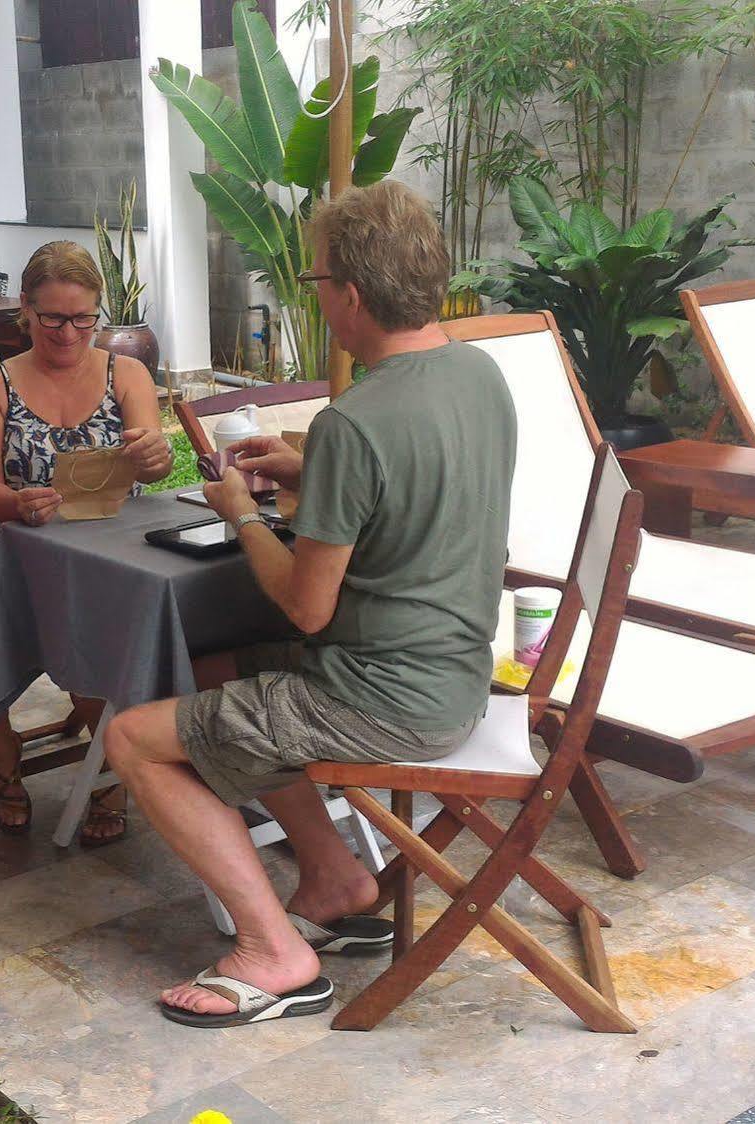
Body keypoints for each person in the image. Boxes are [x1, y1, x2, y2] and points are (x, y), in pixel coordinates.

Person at [101, 181, 518, 1026]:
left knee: (132, 739)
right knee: (214, 659)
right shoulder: (479, 372)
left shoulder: (354, 422)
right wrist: (310, 476)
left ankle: (271, 950)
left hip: (382, 704)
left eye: (317, 281)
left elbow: (304, 609)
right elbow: (421, 495)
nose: (316, 296)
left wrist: (243, 513)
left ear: (352, 295)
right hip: (458, 673)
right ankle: (334, 876)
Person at [0, 241, 175, 845]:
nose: (69, 333)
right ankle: (1, 762)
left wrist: (155, 455)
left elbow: (151, 466)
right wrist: (18, 503)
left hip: (115, 547)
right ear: (25, 311)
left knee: (97, 627)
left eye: (83, 319)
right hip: (24, 550)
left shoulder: (125, 372)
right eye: (52, 318)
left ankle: (110, 775)